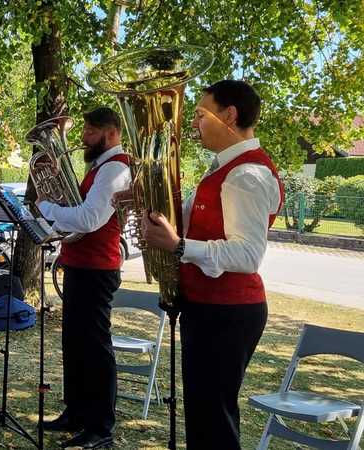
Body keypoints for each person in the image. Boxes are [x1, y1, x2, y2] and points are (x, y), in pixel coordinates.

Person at [141, 79, 282, 449]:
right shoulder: (225, 167)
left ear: (229, 115)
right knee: (204, 417)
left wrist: (178, 245)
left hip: (227, 312)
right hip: (209, 307)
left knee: (213, 421)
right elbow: (187, 220)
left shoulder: (245, 175)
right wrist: (145, 199)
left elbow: (248, 254)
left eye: (201, 114)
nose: (193, 123)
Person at [35, 107, 131, 449]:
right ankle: (76, 412)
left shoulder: (116, 168)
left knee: (94, 347)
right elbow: (76, 211)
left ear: (112, 133)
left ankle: (100, 426)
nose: (83, 138)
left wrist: (46, 207)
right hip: (79, 264)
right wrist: (58, 196)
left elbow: (89, 219)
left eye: (90, 132)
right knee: (75, 344)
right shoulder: (99, 167)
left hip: (97, 269)